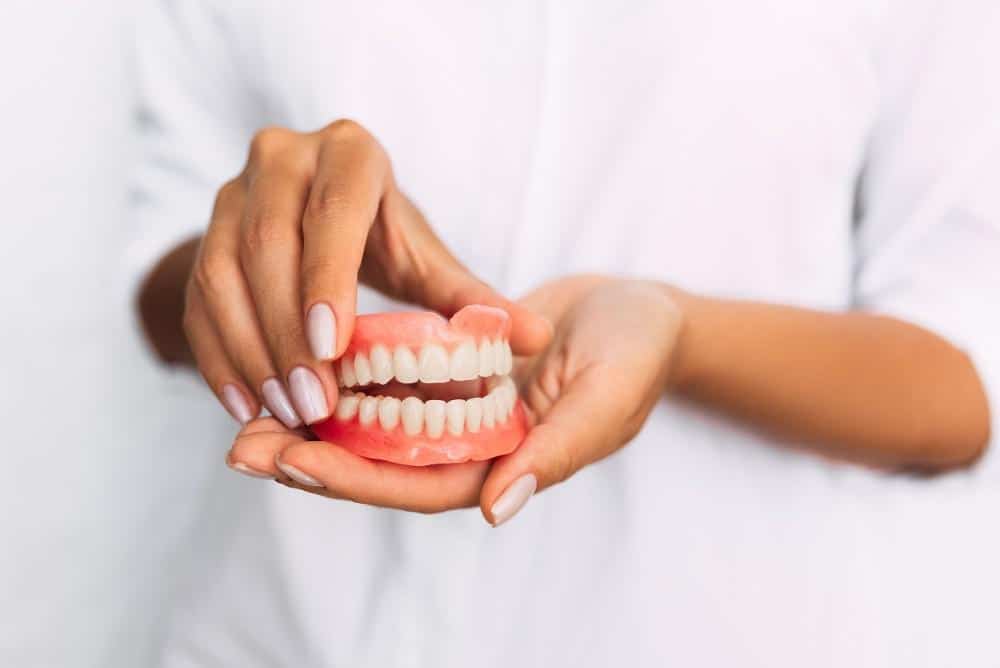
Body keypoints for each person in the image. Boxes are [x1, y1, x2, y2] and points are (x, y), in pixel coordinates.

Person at [133, 1, 1000, 665]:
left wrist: (683, 335)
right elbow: (157, 272)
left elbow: (964, 386)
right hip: (277, 630)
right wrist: (246, 254)